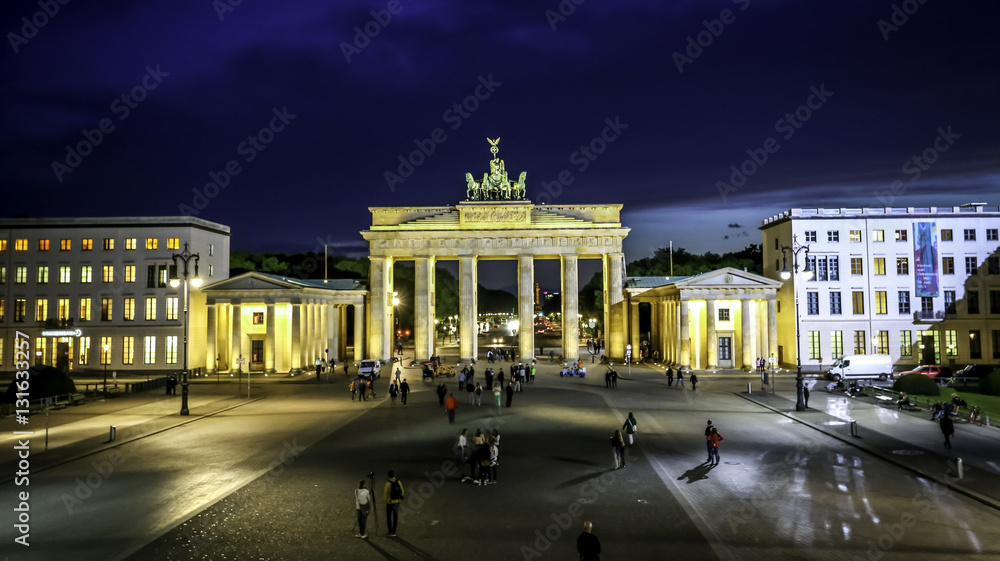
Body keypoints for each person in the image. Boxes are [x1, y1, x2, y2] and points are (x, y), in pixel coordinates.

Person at [383, 470, 404, 537]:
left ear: (389, 475)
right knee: (395, 517)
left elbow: (385, 494)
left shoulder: (388, 483)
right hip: (397, 502)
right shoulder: (398, 481)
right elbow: (402, 491)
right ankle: (394, 532)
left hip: (389, 502)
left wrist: (385, 501)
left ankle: (390, 531)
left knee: (389, 517)